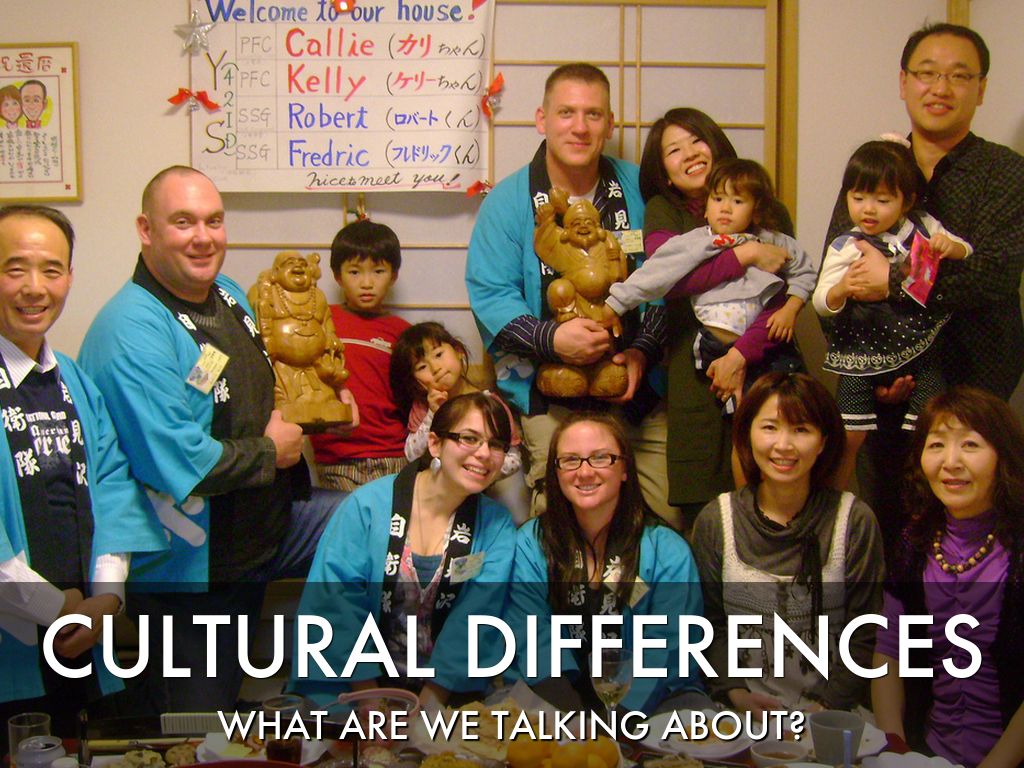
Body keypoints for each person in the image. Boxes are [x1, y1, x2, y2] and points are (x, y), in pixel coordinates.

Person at [77, 165, 356, 713]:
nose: (203, 237)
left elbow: (247, 386)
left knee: (380, 525)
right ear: (146, 229)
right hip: (192, 561)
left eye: (213, 220)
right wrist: (271, 451)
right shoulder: (131, 329)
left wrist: (321, 404)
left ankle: (342, 697)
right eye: (183, 222)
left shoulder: (226, 295)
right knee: (196, 726)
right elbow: (178, 462)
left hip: (266, 522)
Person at [822, 23, 1024, 529]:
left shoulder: (1005, 171)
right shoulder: (874, 165)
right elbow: (837, 270)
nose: (940, 88)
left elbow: (994, 274)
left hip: (975, 382)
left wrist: (893, 282)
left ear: (981, 88)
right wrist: (874, 365)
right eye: (927, 73)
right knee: (889, 522)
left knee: (970, 528)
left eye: (959, 76)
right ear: (903, 81)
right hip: (882, 381)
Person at [465, 62, 676, 526]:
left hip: (636, 389)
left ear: (610, 124)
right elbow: (491, 292)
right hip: (550, 392)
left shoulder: (641, 189)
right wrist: (553, 339)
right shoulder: (508, 200)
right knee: (562, 523)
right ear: (542, 120)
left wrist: (642, 351)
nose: (580, 127)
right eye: (566, 113)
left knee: (665, 515)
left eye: (593, 114)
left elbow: (669, 276)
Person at [0, 205, 164, 752]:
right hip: (18, 643)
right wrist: (58, 609)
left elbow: (114, 489)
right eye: (15, 269)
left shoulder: (73, 380)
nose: (34, 288)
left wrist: (107, 600)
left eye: (51, 270)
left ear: (70, 277)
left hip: (81, 642)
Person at [289, 393, 515, 710]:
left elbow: (477, 617)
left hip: (447, 695)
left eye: (496, 445)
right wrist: (370, 701)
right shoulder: (367, 506)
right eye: (469, 438)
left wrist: (432, 702)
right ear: (434, 444)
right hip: (354, 690)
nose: (484, 454)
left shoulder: (497, 526)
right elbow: (336, 603)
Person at [637, 108, 795, 525]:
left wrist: (739, 356)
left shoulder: (767, 208)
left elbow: (780, 294)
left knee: (779, 492)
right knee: (706, 511)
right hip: (695, 377)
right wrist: (746, 254)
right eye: (674, 150)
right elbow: (667, 278)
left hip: (767, 360)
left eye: (697, 140)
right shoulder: (664, 210)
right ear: (665, 173)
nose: (689, 153)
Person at [691, 373, 884, 713]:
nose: (783, 445)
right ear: (747, 433)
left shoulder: (854, 520)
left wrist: (825, 707)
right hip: (738, 714)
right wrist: (736, 694)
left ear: (822, 442)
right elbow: (709, 624)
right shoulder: (715, 520)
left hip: (832, 716)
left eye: (801, 429)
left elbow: (865, 632)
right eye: (769, 427)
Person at [505, 411, 705, 714]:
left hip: (652, 702)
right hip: (554, 698)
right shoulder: (532, 542)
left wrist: (614, 720)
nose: (585, 472)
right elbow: (531, 633)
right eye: (570, 460)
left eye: (600, 458)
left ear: (624, 468)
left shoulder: (667, 550)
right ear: (555, 472)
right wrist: (574, 720)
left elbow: (668, 646)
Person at [873, 387, 1024, 768]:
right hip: (929, 754)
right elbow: (889, 651)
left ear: (1003, 457)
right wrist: (895, 748)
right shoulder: (914, 542)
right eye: (937, 444)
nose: (950, 462)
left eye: (970, 445)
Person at [814, 138, 970, 490]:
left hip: (917, 345)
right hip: (861, 352)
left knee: (931, 429)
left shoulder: (924, 226)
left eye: (882, 200)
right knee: (848, 434)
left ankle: (927, 502)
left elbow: (967, 249)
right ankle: (831, 503)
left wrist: (952, 247)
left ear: (907, 201)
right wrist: (841, 290)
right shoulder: (846, 245)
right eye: (858, 198)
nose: (868, 209)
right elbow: (821, 300)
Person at [606, 157, 815, 410]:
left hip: (767, 344)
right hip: (714, 343)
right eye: (717, 199)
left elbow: (805, 271)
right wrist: (616, 303)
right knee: (743, 409)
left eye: (737, 201)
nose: (725, 208)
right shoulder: (695, 242)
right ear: (706, 208)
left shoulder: (772, 240)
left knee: (786, 406)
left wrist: (791, 308)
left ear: (756, 210)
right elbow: (656, 272)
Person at [310, 219, 410, 491]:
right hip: (336, 456)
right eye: (354, 272)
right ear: (338, 276)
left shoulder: (403, 332)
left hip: (392, 453)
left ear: (394, 275)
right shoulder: (321, 321)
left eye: (378, 271)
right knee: (346, 518)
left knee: (390, 518)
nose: (367, 283)